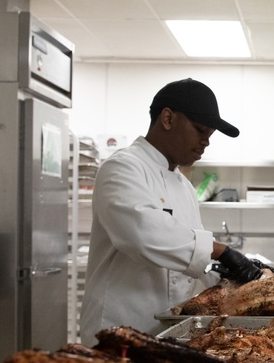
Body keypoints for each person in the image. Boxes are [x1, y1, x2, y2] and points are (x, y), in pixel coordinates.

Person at [80, 78, 263, 344]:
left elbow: (191, 258)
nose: (206, 143)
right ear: (168, 118)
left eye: (210, 136)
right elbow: (142, 234)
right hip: (119, 333)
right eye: (201, 131)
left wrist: (235, 275)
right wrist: (222, 251)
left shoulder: (184, 187)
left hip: (170, 333)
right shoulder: (122, 168)